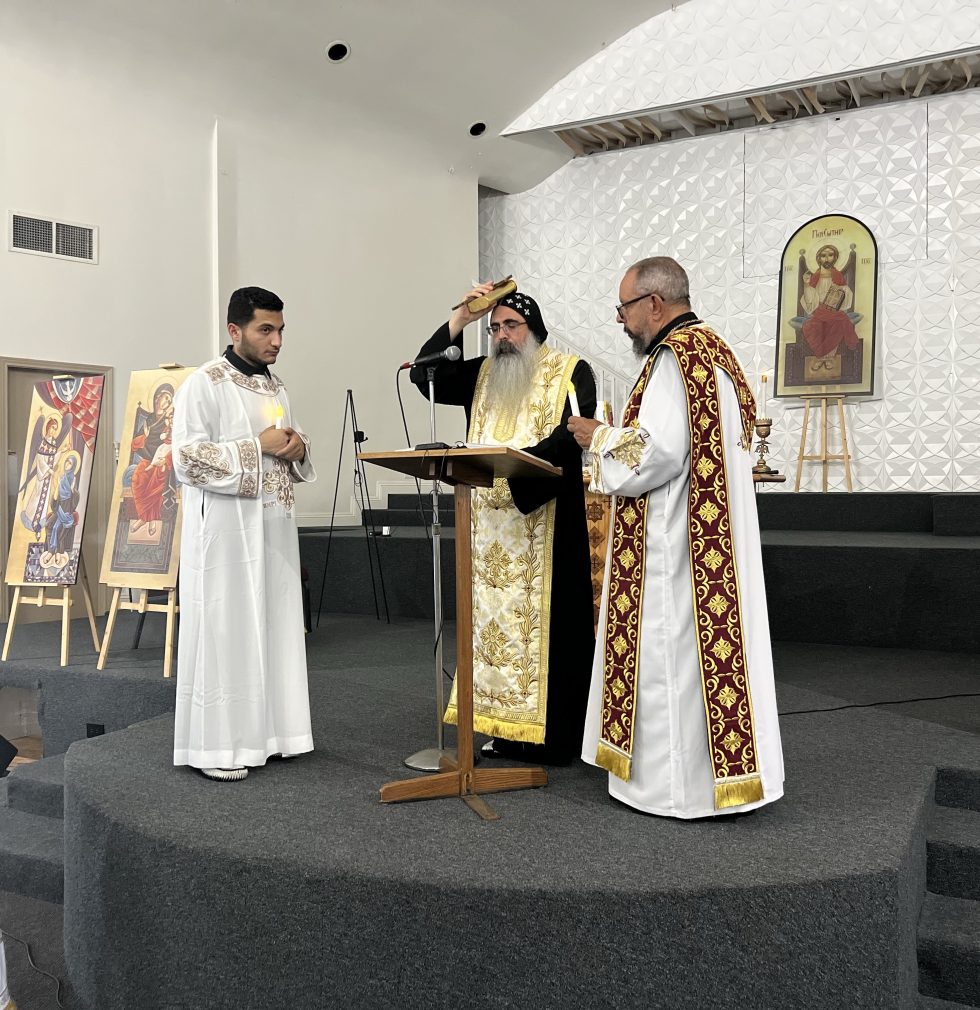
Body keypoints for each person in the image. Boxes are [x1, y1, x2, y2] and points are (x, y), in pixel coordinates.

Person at [568, 257, 783, 818]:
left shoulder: (671, 360)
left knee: (672, 659)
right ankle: (721, 780)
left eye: (624, 308)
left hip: (677, 543)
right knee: (705, 662)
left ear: (655, 303)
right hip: (719, 544)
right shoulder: (717, 352)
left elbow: (656, 454)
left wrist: (598, 437)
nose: (621, 320)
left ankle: (672, 790)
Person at [412, 285, 597, 764]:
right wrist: (461, 316)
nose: (501, 336)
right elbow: (423, 375)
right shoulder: (479, 375)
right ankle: (503, 728)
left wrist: (516, 467)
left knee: (553, 634)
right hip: (487, 529)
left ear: (532, 330)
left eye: (509, 326)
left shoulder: (570, 372)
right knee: (493, 633)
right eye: (493, 328)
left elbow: (572, 436)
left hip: (544, 518)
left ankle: (555, 738)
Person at [172, 286, 316, 782]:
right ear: (235, 331)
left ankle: (274, 735)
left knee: (274, 625)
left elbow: (284, 446)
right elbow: (186, 459)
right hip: (226, 536)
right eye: (265, 330)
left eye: (279, 330)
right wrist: (257, 447)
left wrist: (298, 447)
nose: (276, 340)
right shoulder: (204, 384)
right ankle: (220, 746)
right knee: (226, 631)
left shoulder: (277, 387)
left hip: (273, 529)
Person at [799, 243, 860, 358]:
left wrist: (840, 291)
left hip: (834, 311)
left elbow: (846, 299)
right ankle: (824, 356)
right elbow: (809, 302)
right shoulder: (814, 278)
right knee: (836, 320)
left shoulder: (838, 277)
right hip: (819, 310)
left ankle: (828, 358)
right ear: (818, 258)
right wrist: (806, 285)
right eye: (823, 255)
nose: (827, 259)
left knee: (839, 319)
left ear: (835, 258)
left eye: (830, 255)